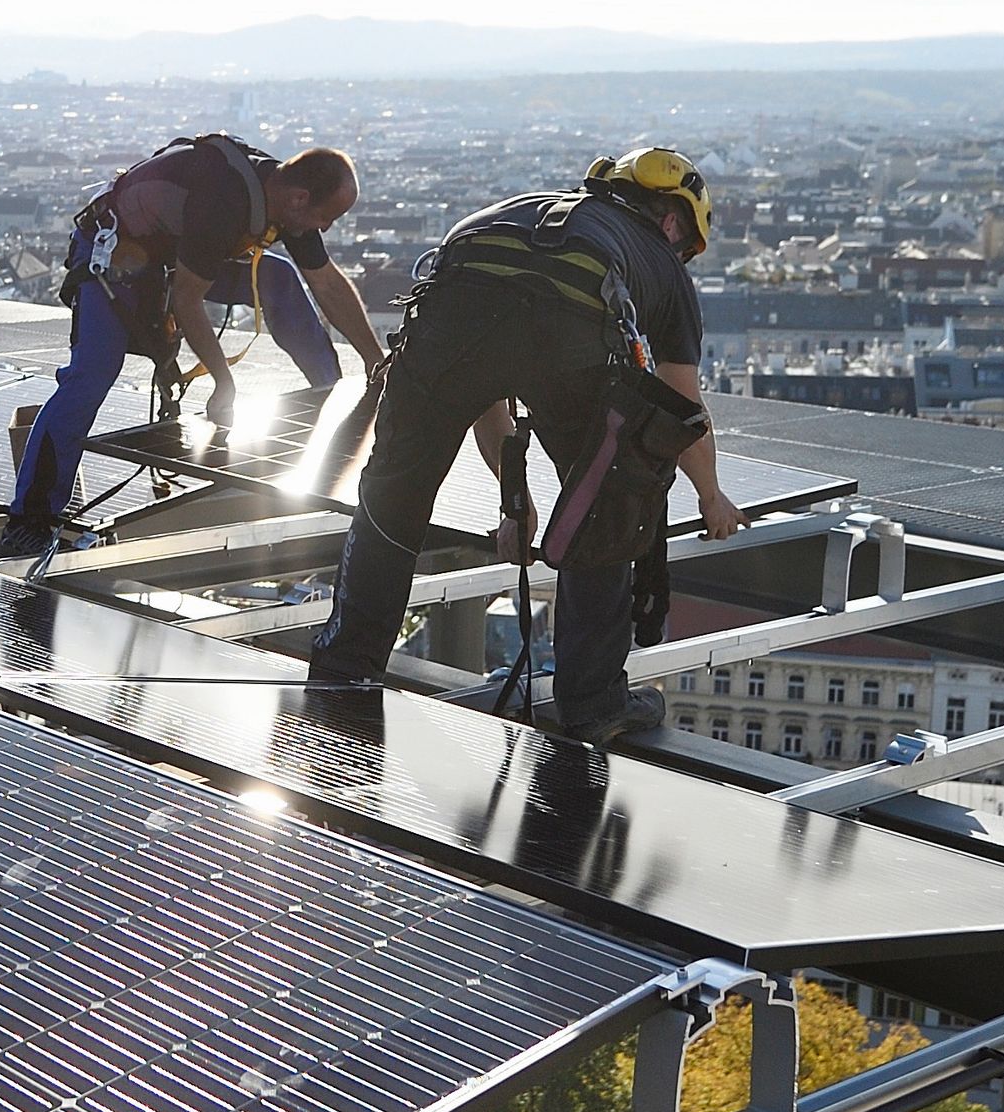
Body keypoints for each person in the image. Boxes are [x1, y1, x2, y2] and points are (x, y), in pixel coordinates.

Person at [303, 148, 752, 745]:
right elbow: (682, 411)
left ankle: (345, 663)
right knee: (608, 501)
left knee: (392, 494)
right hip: (570, 328)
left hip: (451, 304)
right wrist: (711, 495)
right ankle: (592, 702)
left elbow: (485, 381)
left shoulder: (512, 214)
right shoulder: (660, 268)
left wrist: (514, 501)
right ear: (674, 221)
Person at [5, 136, 386, 552]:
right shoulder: (223, 201)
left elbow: (326, 281)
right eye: (326, 218)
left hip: (171, 253)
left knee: (281, 280)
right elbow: (188, 300)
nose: (325, 228)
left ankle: (329, 399)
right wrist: (224, 382)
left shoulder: (279, 194)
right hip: (115, 255)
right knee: (91, 374)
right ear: (299, 199)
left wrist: (375, 360)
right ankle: (30, 516)